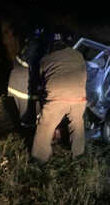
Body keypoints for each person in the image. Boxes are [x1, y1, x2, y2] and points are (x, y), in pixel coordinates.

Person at [31, 33, 87, 164]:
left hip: (57, 99)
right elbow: (84, 77)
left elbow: (42, 79)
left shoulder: (46, 59)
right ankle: (78, 155)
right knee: (77, 124)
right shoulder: (78, 55)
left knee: (45, 126)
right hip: (79, 98)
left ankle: (39, 158)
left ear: (51, 45)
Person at [7, 25, 47, 128]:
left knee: (21, 106)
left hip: (18, 79)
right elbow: (35, 68)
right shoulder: (35, 46)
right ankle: (27, 131)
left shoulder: (29, 42)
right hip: (24, 82)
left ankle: (25, 126)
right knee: (27, 108)